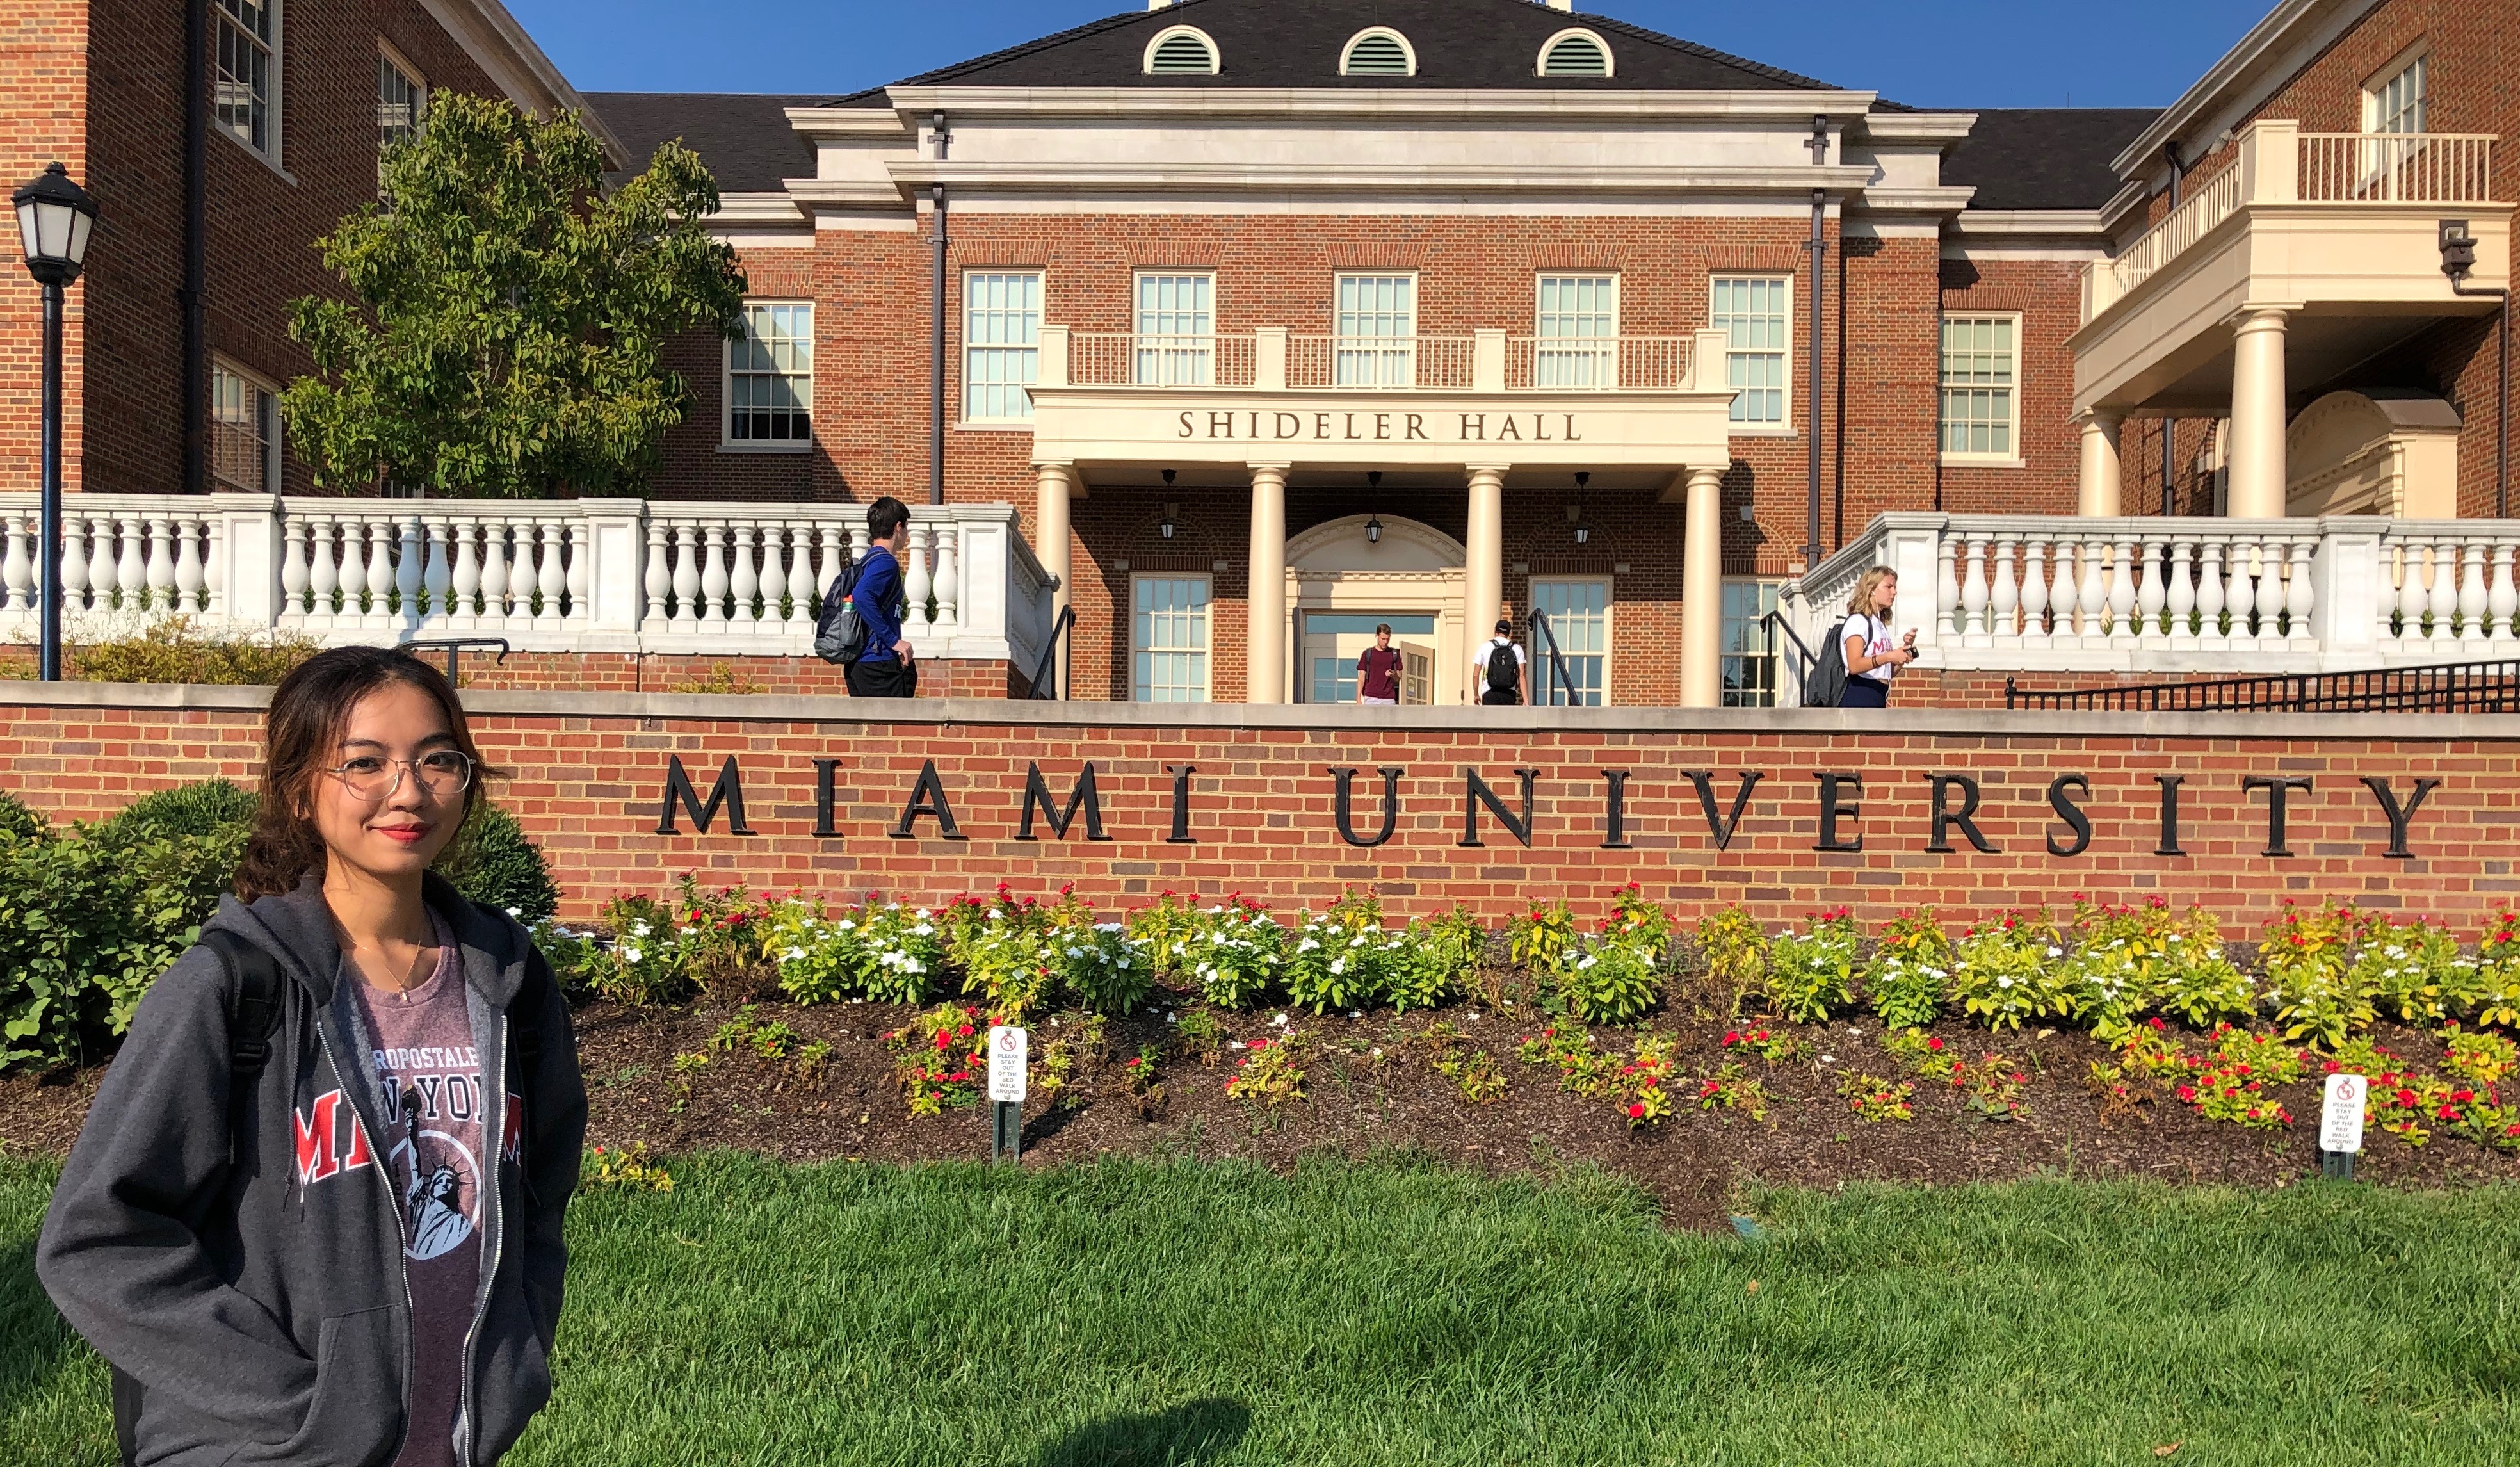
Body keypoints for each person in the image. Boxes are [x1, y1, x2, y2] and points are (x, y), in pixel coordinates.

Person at [38, 647, 585, 1467]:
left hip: (452, 1438)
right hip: (264, 1445)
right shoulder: (233, 984)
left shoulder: (506, 980)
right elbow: (95, 1235)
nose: (408, 791)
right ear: (300, 788)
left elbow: (540, 1186)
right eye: (365, 762)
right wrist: (303, 1402)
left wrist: (517, 1347)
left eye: (438, 759)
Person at [847, 496, 917, 699]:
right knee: (893, 729)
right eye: (906, 528)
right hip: (877, 662)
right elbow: (861, 596)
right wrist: (893, 641)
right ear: (898, 527)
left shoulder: (866, 561)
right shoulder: (885, 563)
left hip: (860, 663)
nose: (906, 535)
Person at [1839, 566, 1918, 709]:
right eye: (1888, 587)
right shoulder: (1858, 621)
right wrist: (1889, 657)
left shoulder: (1880, 625)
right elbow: (1855, 665)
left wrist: (1902, 655)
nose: (1894, 592)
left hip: (1879, 694)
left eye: (1894, 587)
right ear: (1871, 589)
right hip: (1860, 692)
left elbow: (1887, 672)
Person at [1472, 618, 1526, 706]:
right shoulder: (1517, 648)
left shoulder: (1485, 647)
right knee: (1507, 720)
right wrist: (1525, 700)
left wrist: (1476, 695)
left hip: (1489, 692)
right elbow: (1522, 676)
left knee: (1490, 719)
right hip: (1509, 693)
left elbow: (1475, 675)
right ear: (1509, 633)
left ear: (1495, 632)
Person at [1355, 623, 1402, 706]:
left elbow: (1399, 677)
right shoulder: (1368, 654)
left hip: (1389, 698)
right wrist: (1358, 699)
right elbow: (1361, 677)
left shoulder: (1394, 654)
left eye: (1388, 639)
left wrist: (1393, 674)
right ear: (1377, 636)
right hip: (1371, 697)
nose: (1385, 642)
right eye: (1383, 639)